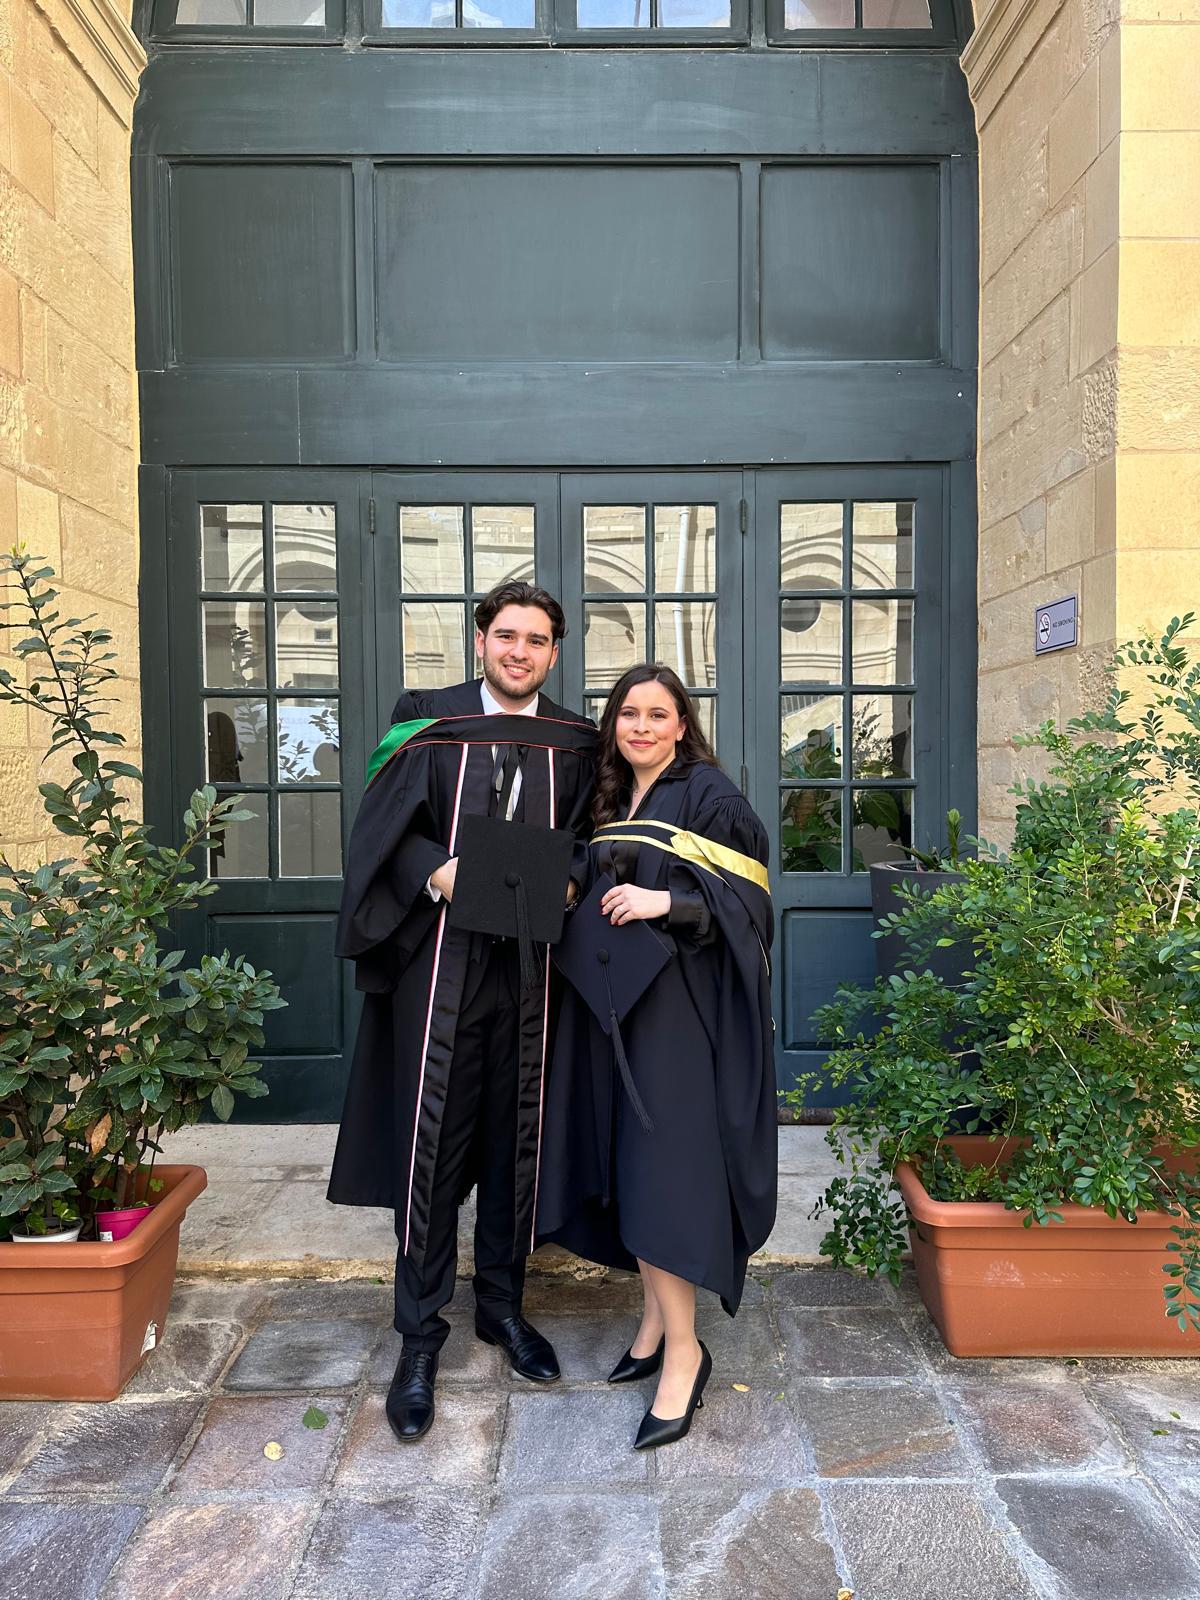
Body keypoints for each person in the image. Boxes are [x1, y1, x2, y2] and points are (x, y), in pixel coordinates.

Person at [328, 580, 596, 1442]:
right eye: (506, 636)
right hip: (439, 972)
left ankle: (503, 1309)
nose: (520, 652)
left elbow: (595, 840)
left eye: (537, 640)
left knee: (516, 1142)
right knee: (431, 1148)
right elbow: (380, 832)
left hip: (530, 978)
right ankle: (419, 1337)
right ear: (480, 639)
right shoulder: (428, 724)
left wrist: (573, 878)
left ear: (555, 652)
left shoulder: (576, 741)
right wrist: (432, 870)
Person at [537, 663, 776, 1450]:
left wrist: (664, 901)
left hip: (678, 1021)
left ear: (682, 724)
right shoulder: (612, 797)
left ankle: (685, 1352)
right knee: (630, 1172)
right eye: (627, 714)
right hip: (616, 1015)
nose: (640, 726)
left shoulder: (708, 795)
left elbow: (750, 904)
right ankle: (651, 1321)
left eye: (657, 714)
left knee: (663, 1179)